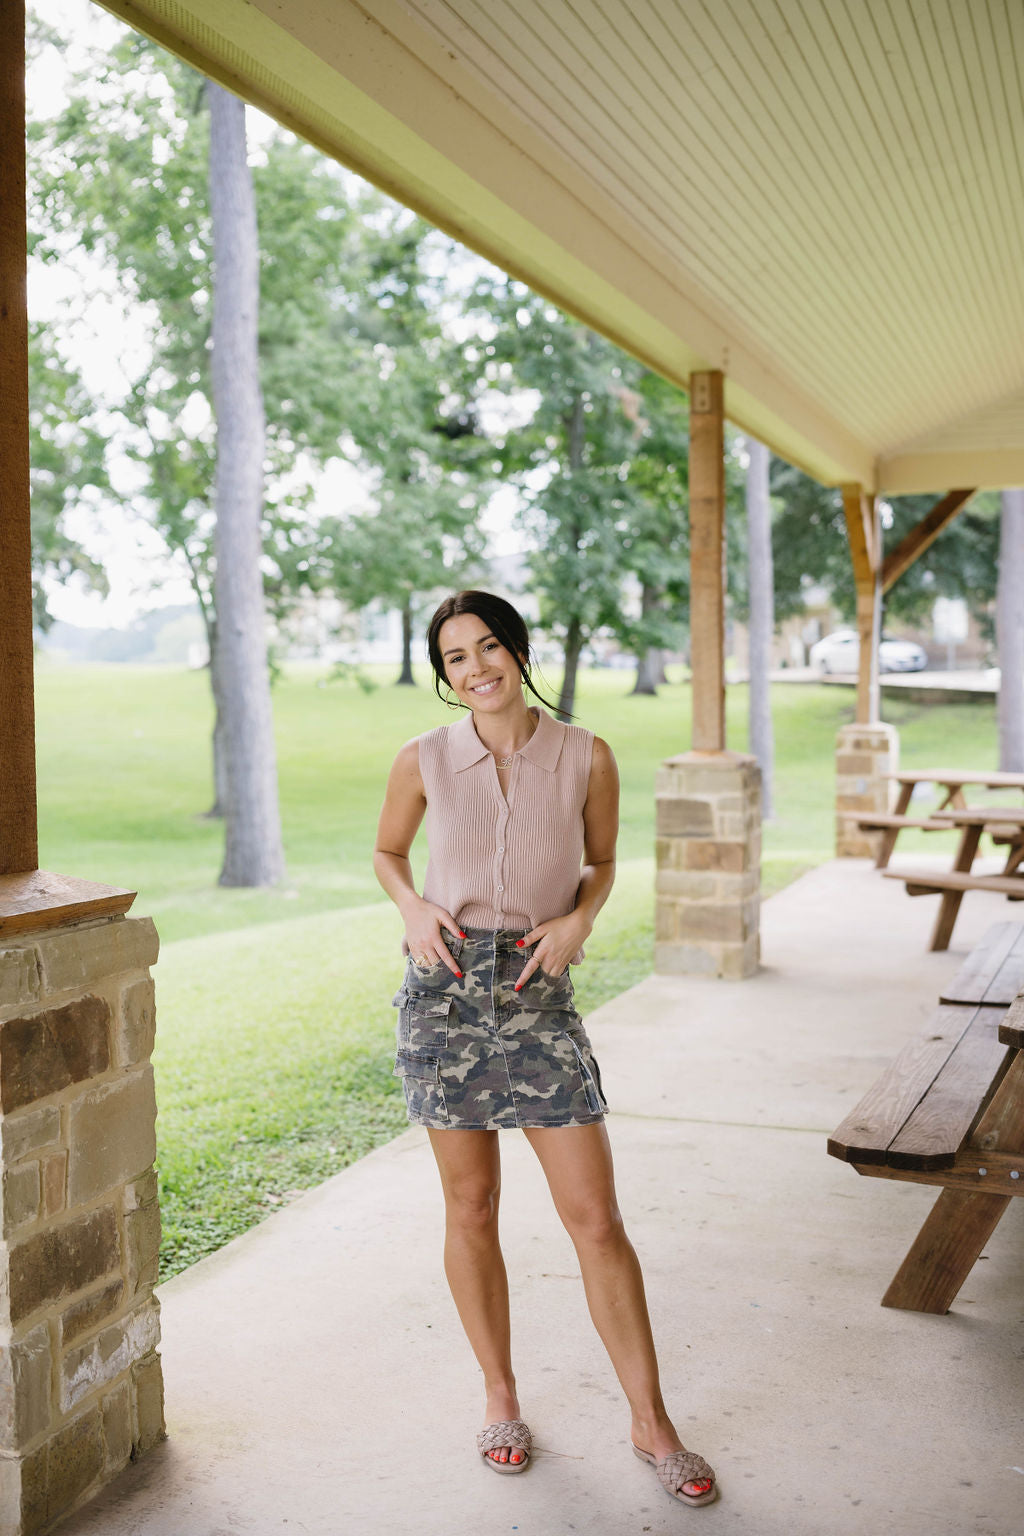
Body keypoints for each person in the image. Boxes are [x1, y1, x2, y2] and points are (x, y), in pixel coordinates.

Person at [372, 590, 717, 1509]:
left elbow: (601, 861)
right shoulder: (423, 758)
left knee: (594, 1217)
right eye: (455, 657)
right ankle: (499, 1397)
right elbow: (388, 854)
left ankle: (651, 1421)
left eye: (489, 647)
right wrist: (412, 909)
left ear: (518, 652)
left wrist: (579, 918)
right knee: (472, 1204)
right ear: (444, 674)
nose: (476, 667)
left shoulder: (586, 755)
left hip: (538, 988)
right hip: (445, 994)